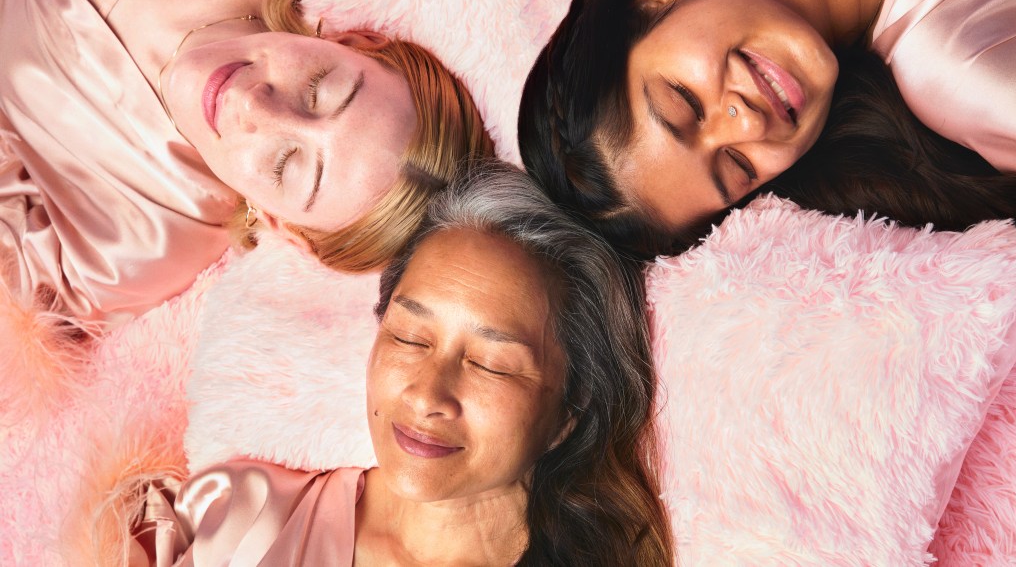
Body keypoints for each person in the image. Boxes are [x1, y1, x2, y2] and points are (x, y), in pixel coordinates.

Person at [127, 163, 673, 566]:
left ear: (567, 415)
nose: (426, 396)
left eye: (490, 364)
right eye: (410, 337)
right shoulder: (237, 519)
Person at [0, 0, 492, 323]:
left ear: (280, 224)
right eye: (319, 89)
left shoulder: (135, 246)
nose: (254, 106)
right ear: (354, 42)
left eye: (286, 165)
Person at [519, 0, 1016, 260]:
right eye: (738, 166)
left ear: (649, 6)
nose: (748, 123)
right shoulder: (966, 71)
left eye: (686, 102)